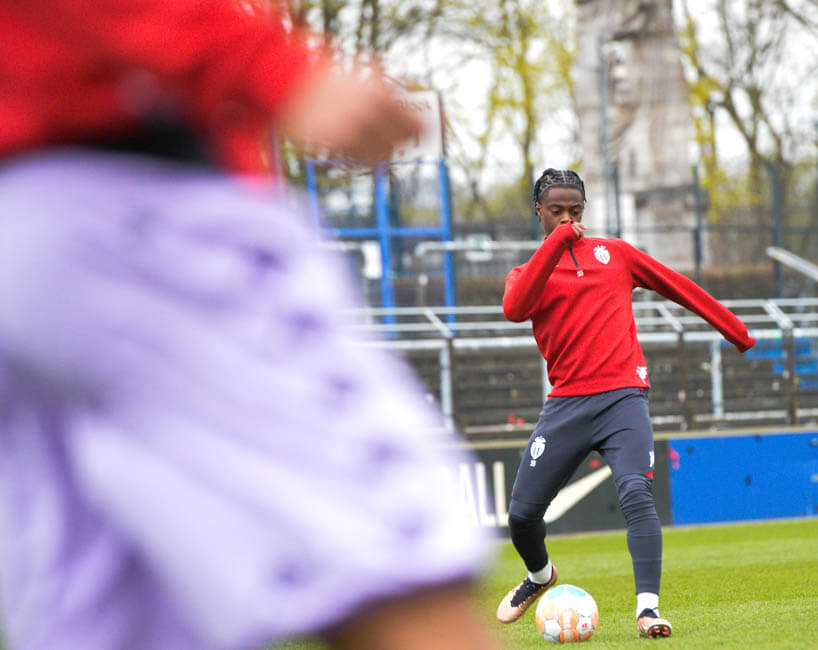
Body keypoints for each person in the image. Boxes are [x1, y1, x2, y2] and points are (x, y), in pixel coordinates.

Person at [0, 2, 496, 649]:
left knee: (111, 624)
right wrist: (267, 65)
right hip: (136, 205)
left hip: (25, 247)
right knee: (394, 571)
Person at [496, 168, 755, 638]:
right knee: (522, 516)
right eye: (557, 211)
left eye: (576, 210)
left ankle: (648, 611)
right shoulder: (528, 273)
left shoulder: (614, 254)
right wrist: (557, 243)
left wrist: (735, 331)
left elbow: (679, 286)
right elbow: (515, 308)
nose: (568, 218)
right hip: (567, 405)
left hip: (623, 398)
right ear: (539, 211)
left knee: (636, 491)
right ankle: (540, 575)